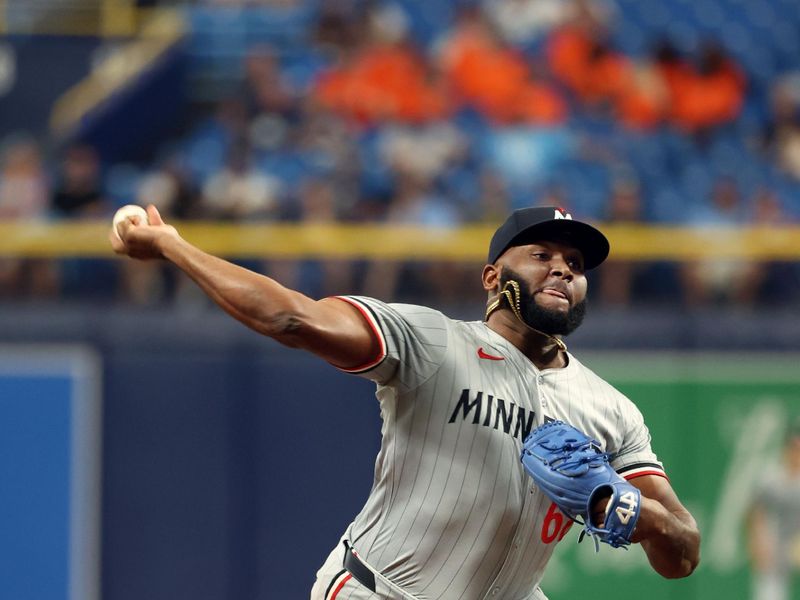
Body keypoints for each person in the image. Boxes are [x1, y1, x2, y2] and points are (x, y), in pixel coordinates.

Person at [110, 205, 701, 599]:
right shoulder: (433, 341)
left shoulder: (610, 410)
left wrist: (623, 506)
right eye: (541, 255)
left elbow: (683, 552)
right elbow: (292, 316)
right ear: (493, 278)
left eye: (575, 264)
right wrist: (172, 247)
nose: (562, 270)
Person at [747, 421, 800, 600]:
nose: (796, 453)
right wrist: (758, 544)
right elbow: (756, 512)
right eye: (793, 447)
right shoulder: (772, 477)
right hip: (775, 553)